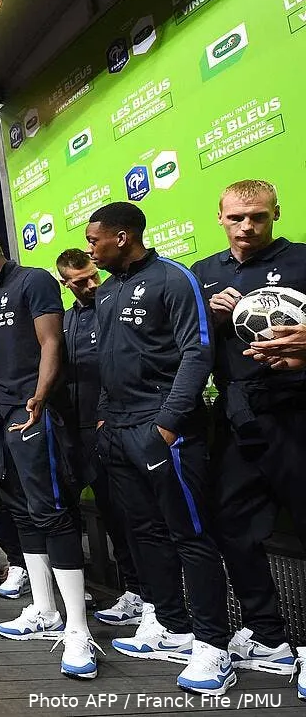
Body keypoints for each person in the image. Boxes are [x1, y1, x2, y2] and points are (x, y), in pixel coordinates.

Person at [86, 202, 234, 695]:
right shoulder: (106, 292)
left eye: (95, 240)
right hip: (119, 431)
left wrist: (168, 424)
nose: (91, 249)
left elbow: (198, 351)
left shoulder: (173, 277)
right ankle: (171, 624)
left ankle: (214, 646)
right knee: (143, 532)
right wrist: (106, 419)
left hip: (164, 430)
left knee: (189, 534)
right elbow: (108, 364)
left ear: (123, 237)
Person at [0, 228, 94, 679]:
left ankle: (78, 630)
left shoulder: (33, 280)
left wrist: (39, 396)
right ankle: (45, 610)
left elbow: (52, 342)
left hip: (34, 413)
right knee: (21, 513)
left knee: (51, 512)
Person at [190, 180, 306, 690]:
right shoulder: (205, 273)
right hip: (239, 416)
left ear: (276, 215)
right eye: (236, 218)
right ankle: (269, 637)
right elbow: (189, 349)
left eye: (258, 216)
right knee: (231, 524)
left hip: (299, 411)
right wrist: (210, 317)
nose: (247, 227)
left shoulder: (302, 260)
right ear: (220, 218)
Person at [55, 248, 145, 626]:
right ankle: (106, 588)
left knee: (125, 513)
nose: (90, 285)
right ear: (65, 283)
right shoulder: (64, 321)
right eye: (80, 282)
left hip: (112, 425)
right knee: (84, 513)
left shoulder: (114, 305)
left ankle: (143, 594)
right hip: (72, 433)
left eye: (93, 276)